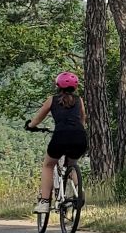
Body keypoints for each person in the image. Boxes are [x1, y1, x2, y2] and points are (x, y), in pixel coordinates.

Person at [28, 72, 88, 214]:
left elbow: (38, 119)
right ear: (75, 87)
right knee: (72, 163)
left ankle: (44, 202)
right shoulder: (79, 100)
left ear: (58, 86)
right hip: (79, 136)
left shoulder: (52, 100)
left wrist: (30, 126)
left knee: (48, 165)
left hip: (61, 136)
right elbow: (83, 119)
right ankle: (79, 191)